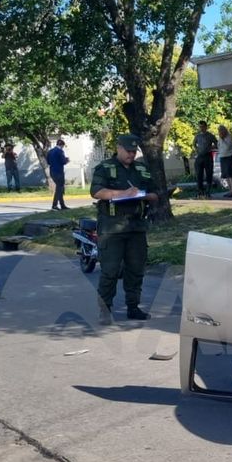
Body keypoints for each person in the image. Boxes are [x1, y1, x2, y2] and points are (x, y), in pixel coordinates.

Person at [89, 134, 158, 324]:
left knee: (136, 269)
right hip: (112, 227)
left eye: (134, 151)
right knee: (110, 271)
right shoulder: (105, 168)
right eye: (128, 150)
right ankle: (105, 310)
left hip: (136, 226)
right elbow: (96, 191)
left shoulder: (141, 168)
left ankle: (133, 307)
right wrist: (124, 193)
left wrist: (148, 196)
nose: (131, 154)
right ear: (118, 148)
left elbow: (154, 191)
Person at [192, 121, 215, 198]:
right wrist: (196, 149)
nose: (201, 128)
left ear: (206, 127)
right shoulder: (197, 136)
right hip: (200, 156)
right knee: (199, 174)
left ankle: (208, 191)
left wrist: (211, 148)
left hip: (208, 156)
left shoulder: (210, 135)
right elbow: (194, 144)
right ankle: (200, 191)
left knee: (209, 174)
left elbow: (217, 143)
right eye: (200, 126)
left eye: (202, 126)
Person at [47, 139, 70, 210]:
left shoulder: (50, 151)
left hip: (52, 171)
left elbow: (48, 161)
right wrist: (67, 160)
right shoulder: (60, 151)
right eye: (63, 146)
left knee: (59, 188)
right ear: (62, 145)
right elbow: (63, 161)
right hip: (59, 172)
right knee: (59, 189)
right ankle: (54, 205)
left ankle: (62, 205)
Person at [217, 125, 232, 198]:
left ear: (224, 130)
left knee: (230, 174)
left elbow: (228, 146)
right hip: (223, 157)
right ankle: (229, 191)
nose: (220, 132)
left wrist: (223, 139)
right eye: (219, 131)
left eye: (221, 130)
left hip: (229, 156)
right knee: (225, 174)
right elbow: (218, 146)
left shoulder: (229, 136)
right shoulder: (220, 138)